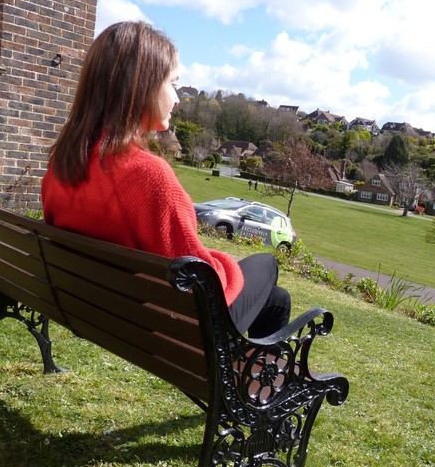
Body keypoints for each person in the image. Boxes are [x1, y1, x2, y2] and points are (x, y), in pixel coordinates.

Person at [41, 21, 290, 338]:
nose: (177, 98)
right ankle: (231, 386)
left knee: (277, 301)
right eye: (173, 83)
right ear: (141, 87)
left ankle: (241, 385)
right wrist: (226, 261)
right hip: (170, 332)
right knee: (266, 264)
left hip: (99, 310)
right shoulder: (146, 175)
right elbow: (199, 282)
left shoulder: (64, 163)